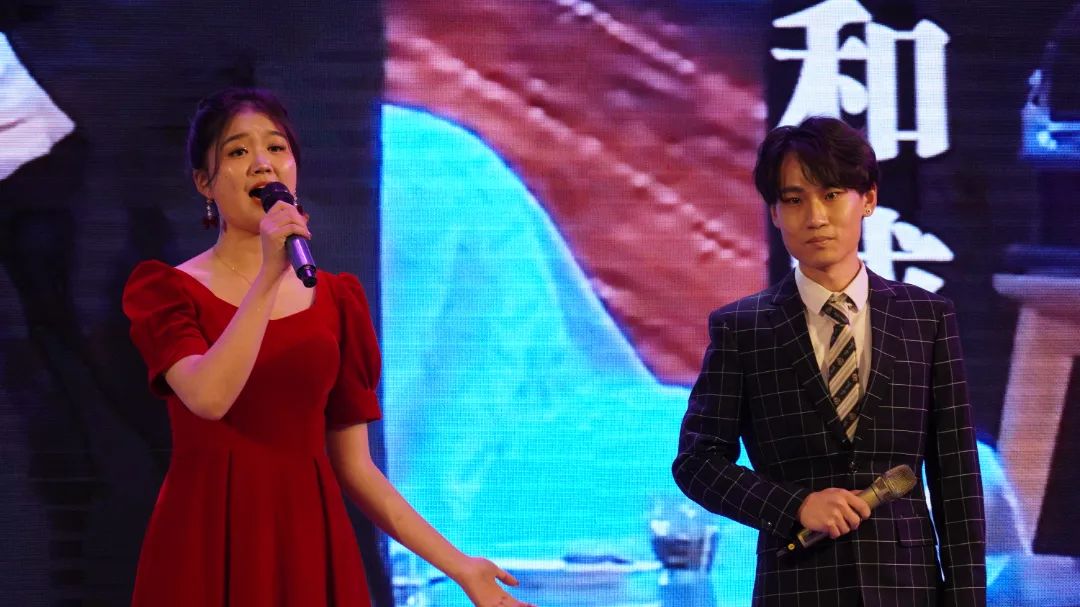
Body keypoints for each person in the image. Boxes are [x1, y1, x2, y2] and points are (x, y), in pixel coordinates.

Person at [122, 87, 534, 607]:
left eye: (276, 148)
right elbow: (208, 397)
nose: (262, 163)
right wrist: (268, 276)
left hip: (308, 538)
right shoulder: (167, 291)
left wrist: (460, 566)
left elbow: (357, 467)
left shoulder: (336, 299)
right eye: (237, 151)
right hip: (210, 535)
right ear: (205, 183)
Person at [672, 116, 986, 606]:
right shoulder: (743, 329)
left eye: (832, 194)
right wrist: (795, 506)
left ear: (869, 199)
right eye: (795, 200)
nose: (815, 216)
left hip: (908, 587)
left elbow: (957, 476)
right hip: (796, 584)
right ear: (775, 213)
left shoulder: (925, 318)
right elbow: (698, 463)